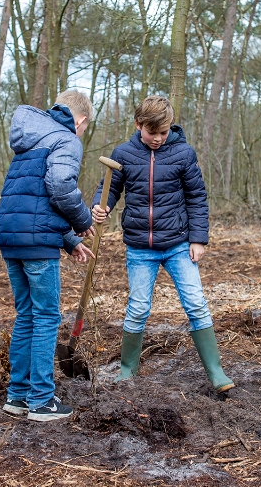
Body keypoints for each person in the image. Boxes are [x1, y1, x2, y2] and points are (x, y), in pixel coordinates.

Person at [91, 95, 234, 394]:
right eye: (151, 132)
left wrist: (198, 238)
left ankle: (217, 373)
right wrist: (99, 206)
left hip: (179, 244)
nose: (157, 139)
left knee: (195, 303)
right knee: (139, 308)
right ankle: (128, 369)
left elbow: (197, 197)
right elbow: (108, 189)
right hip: (140, 248)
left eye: (163, 133)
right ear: (138, 125)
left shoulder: (183, 153)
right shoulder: (124, 154)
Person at [0, 90, 95, 422]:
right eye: (83, 128)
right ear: (80, 120)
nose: (80, 133)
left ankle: (18, 396)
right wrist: (82, 221)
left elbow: (34, 201)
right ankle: (41, 400)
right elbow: (60, 187)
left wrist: (68, 241)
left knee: (26, 316)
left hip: (11, 235)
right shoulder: (66, 140)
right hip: (36, 244)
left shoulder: (31, 137)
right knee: (47, 317)